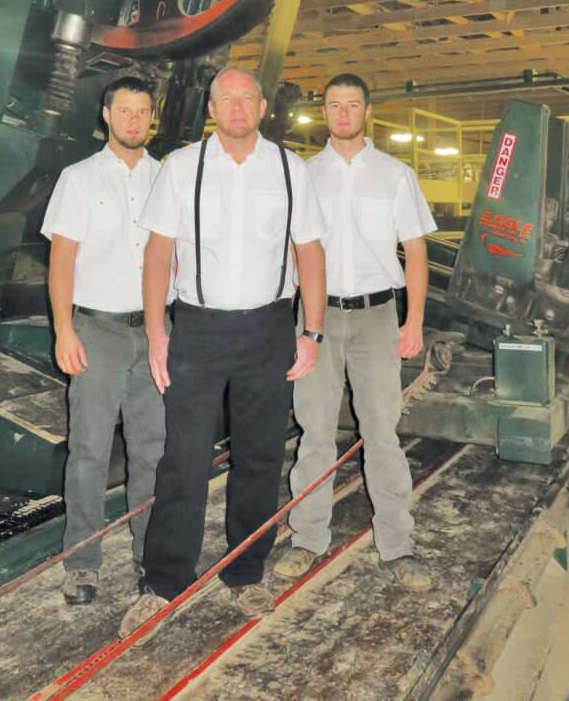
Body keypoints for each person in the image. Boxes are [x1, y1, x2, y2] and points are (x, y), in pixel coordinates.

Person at [118, 66, 326, 640]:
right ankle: (163, 583)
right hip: (198, 334)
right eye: (225, 98)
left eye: (246, 98)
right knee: (182, 460)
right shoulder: (184, 167)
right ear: (212, 109)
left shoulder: (290, 169)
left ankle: (247, 573)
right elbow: (159, 252)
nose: (237, 106)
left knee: (260, 457)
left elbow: (308, 252)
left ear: (262, 108)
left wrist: (312, 331)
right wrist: (159, 332)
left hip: (268, 331)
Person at [275, 73, 437, 591]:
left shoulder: (395, 175)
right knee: (314, 433)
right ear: (324, 113)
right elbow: (290, 253)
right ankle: (306, 538)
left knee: (382, 434)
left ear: (369, 112)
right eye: (334, 105)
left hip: (375, 317)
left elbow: (414, 251)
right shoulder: (303, 174)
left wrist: (413, 320)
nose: (343, 113)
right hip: (317, 322)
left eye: (353, 105)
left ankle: (398, 543)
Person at [41, 75, 171, 605]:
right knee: (90, 452)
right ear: (106, 115)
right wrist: (64, 329)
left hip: (157, 332)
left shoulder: (169, 179)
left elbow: (177, 258)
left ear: (151, 119)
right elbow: (62, 260)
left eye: (143, 111)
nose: (134, 120)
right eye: (125, 110)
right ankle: (83, 563)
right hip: (96, 330)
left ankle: (150, 556)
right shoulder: (78, 179)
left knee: (153, 452)